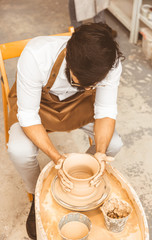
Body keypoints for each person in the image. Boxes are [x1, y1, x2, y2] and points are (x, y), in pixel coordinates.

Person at [7, 23, 124, 239]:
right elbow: (28, 116)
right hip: (38, 109)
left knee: (114, 144)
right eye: (83, 84)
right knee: (18, 149)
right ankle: (37, 193)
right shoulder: (36, 56)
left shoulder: (110, 63)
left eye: (94, 86)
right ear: (69, 62)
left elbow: (105, 110)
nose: (90, 89)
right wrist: (57, 158)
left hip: (78, 108)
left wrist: (99, 153)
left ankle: (84, 183)